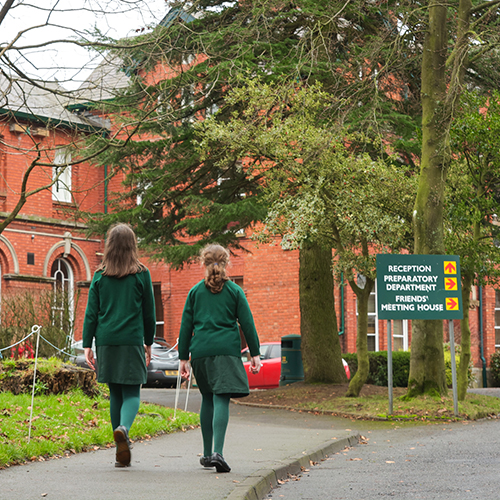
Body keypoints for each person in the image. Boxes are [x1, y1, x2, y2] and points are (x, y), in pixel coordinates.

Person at [179, 244, 261, 473]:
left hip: (201, 353)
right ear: (226, 264)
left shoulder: (195, 292)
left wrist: (183, 358)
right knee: (221, 398)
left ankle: (206, 455)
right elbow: (247, 323)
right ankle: (218, 453)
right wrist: (255, 354)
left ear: (203, 264)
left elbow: (185, 327)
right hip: (226, 352)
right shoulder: (234, 291)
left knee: (207, 398)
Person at [82, 223, 156, 468]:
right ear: (132, 245)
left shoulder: (100, 275)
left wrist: (87, 345)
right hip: (131, 339)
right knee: (132, 392)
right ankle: (124, 429)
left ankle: (119, 451)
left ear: (109, 246)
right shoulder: (141, 274)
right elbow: (149, 313)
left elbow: (91, 313)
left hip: (106, 340)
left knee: (115, 393)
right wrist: (148, 343)